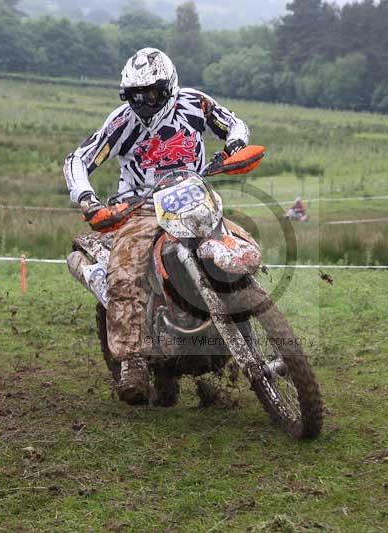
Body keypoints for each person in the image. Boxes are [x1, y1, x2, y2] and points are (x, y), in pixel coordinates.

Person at [63, 48, 250, 405]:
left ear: (168, 86)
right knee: (125, 273)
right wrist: (88, 200)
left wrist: (236, 143)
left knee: (238, 240)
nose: (144, 101)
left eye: (151, 92)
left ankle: (250, 311)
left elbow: (233, 123)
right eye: (136, 94)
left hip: (193, 195)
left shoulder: (196, 104)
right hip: (140, 208)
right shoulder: (121, 123)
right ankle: (132, 360)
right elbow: (78, 159)